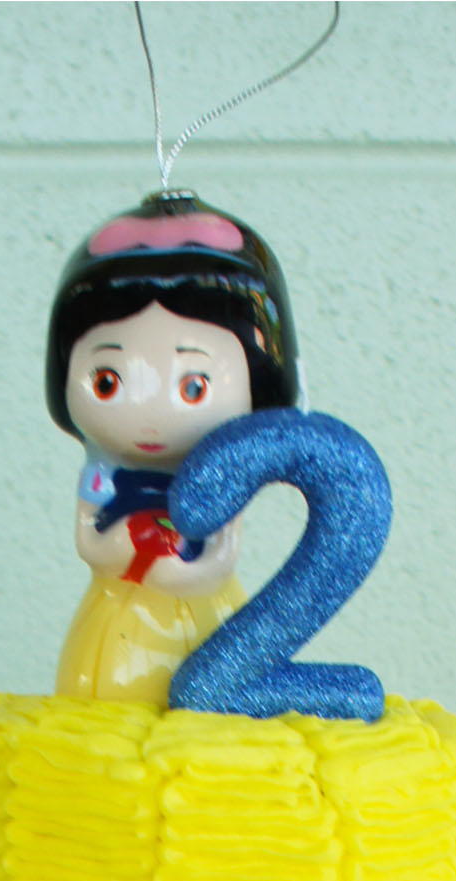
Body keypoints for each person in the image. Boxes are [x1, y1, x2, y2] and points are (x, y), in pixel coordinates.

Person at [45, 190, 297, 703]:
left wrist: (180, 569)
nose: (149, 412)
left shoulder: (222, 478)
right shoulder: (102, 478)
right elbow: (89, 541)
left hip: (213, 630)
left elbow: (221, 555)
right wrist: (134, 554)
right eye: (109, 382)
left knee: (220, 733)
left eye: (193, 386)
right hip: (121, 627)